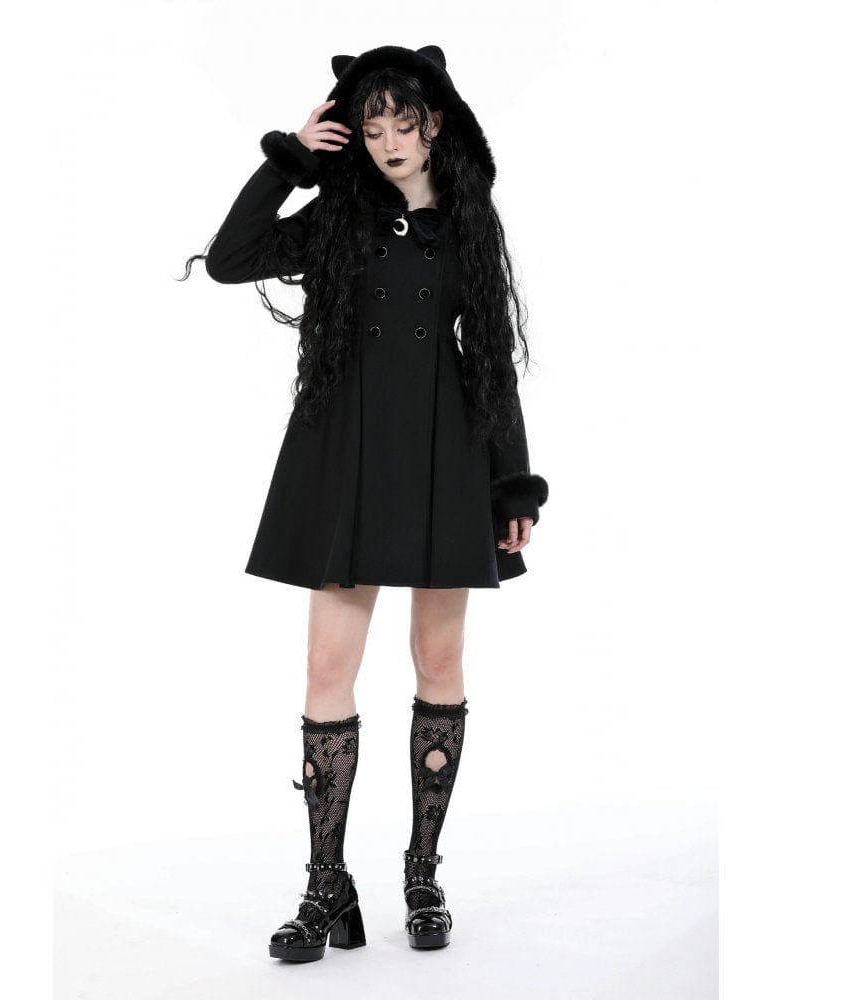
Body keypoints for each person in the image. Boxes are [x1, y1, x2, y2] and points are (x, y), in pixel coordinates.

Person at [181, 44, 548, 961]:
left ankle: (422, 874)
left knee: (439, 659)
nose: (387, 141)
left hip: (444, 453)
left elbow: (491, 358)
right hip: (345, 450)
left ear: (434, 123)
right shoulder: (338, 216)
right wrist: (289, 159)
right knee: (324, 669)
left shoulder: (469, 220)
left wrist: (511, 483)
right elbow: (229, 259)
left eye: (402, 122)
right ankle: (326, 885)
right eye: (371, 124)